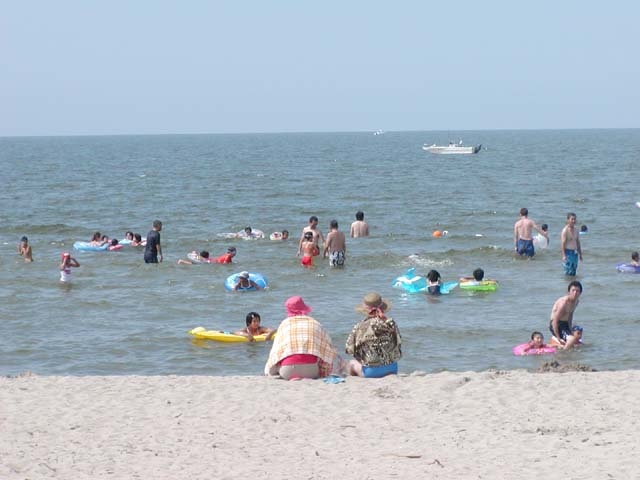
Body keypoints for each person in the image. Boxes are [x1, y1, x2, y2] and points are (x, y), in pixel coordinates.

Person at [265, 296, 338, 380]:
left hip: (287, 371)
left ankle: (293, 376)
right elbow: (328, 349)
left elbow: (275, 351)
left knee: (274, 365)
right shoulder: (315, 323)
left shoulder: (284, 324)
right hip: (311, 371)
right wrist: (325, 371)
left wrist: (269, 369)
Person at [345, 293, 402, 378]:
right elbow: (398, 342)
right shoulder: (391, 323)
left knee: (351, 363)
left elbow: (349, 350)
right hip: (392, 369)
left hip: (371, 372)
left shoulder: (360, 326)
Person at [549, 280, 583, 350]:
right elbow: (554, 321)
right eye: (573, 290)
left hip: (565, 324)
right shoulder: (563, 303)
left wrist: (570, 330)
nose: (575, 293)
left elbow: (570, 316)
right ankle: (564, 355)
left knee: (576, 337)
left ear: (580, 293)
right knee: (571, 339)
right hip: (556, 324)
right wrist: (558, 338)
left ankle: (562, 348)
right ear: (568, 292)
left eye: (577, 291)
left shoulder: (576, 302)